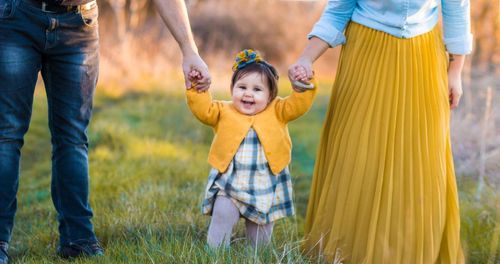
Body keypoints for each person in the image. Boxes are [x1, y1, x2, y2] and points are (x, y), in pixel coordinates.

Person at [0, 0, 209, 262]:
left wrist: (189, 49)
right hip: (17, 17)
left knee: (73, 137)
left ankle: (78, 240)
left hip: (79, 25)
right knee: (7, 134)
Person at [288, 0, 471, 262]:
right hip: (366, 53)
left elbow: (457, 7)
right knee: (359, 152)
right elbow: (339, 10)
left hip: (424, 57)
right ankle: (348, 253)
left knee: (418, 158)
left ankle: (407, 253)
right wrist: (305, 58)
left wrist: (456, 71)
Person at [186, 49, 316, 248]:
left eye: (257, 89)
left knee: (260, 239)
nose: (248, 93)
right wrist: (198, 89)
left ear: (271, 95)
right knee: (222, 216)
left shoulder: (278, 110)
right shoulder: (223, 110)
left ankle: (256, 256)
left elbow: (298, 105)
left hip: (265, 183)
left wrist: (302, 87)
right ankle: (215, 255)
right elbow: (204, 110)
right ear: (232, 89)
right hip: (229, 182)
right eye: (242, 87)